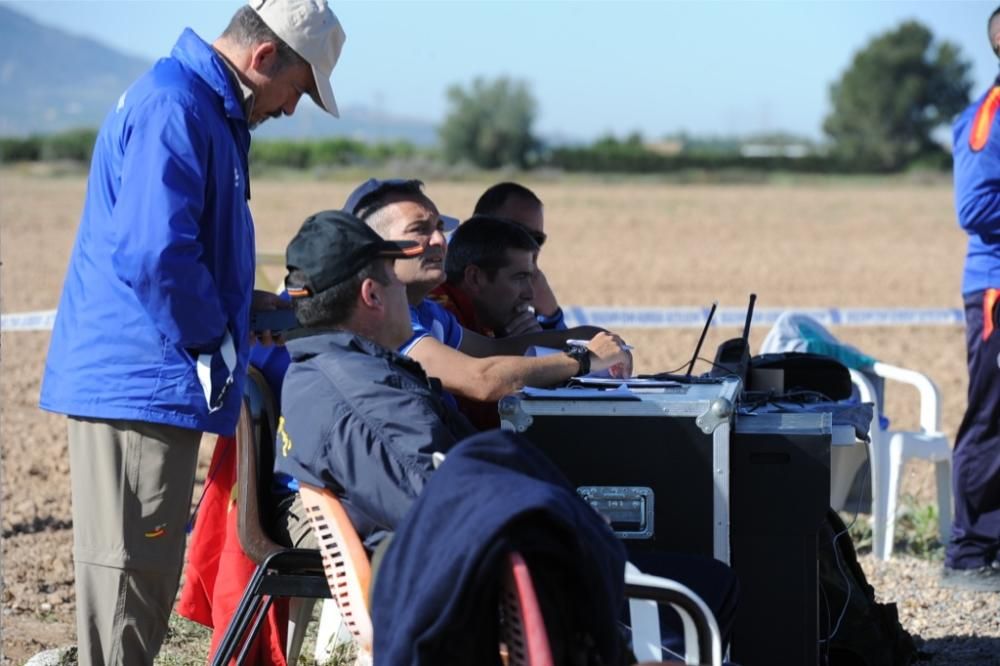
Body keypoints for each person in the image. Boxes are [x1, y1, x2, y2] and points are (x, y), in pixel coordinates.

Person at [37, 1, 347, 662]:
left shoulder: (196, 107)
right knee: (127, 588)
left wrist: (241, 307)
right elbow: (156, 256)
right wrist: (217, 338)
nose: (292, 110)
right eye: (297, 91)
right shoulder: (177, 108)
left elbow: (179, 252)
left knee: (137, 586)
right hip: (137, 387)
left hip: (148, 382)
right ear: (264, 58)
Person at [273, 209, 478, 551]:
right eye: (394, 277)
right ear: (372, 295)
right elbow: (446, 513)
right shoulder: (369, 399)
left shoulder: (325, 367)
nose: (403, 287)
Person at [344, 179, 633, 420]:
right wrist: (584, 359)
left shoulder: (426, 311)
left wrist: (583, 335)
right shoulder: (376, 314)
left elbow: (493, 349)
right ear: (373, 245)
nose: (440, 241)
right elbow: (481, 379)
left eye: (440, 228)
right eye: (420, 230)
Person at [943, 5, 1000, 591]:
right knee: (992, 419)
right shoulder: (987, 118)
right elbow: (975, 209)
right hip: (995, 291)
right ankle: (968, 554)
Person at [474, 182, 565, 331]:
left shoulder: (528, 287)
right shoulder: (441, 282)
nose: (527, 246)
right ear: (477, 227)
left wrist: (549, 315)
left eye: (536, 239)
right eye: (516, 232)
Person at [433, 215, 541, 339]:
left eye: (529, 278)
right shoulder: (436, 316)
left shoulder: (483, 318)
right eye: (519, 277)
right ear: (474, 278)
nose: (530, 294)